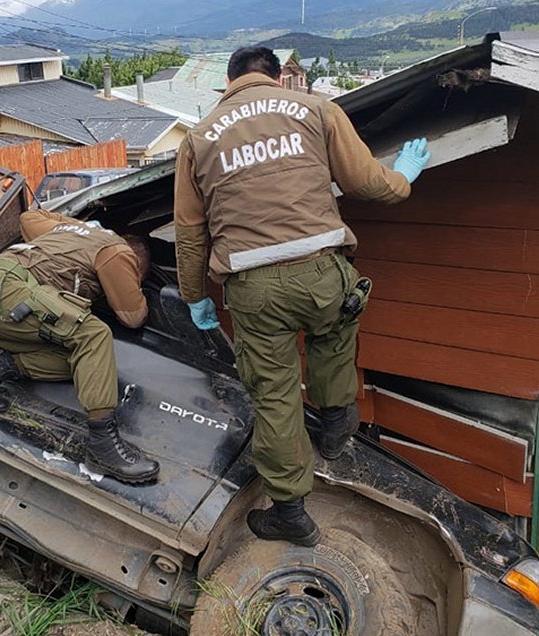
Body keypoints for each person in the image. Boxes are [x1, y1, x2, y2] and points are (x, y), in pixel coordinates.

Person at [173, 47, 429, 545]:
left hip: (254, 286)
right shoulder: (316, 109)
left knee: (275, 396)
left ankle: (290, 511)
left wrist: (193, 296)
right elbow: (369, 184)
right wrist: (405, 176)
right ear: (275, 77)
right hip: (324, 272)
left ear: (229, 83)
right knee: (333, 340)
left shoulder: (199, 139)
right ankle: (336, 429)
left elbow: (189, 233)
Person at [0, 208, 160, 484]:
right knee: (94, 336)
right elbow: (133, 317)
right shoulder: (117, 252)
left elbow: (27, 218)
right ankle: (103, 445)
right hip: (9, 295)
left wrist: (75, 227)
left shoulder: (69, 234)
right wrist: (133, 285)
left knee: (89, 367)